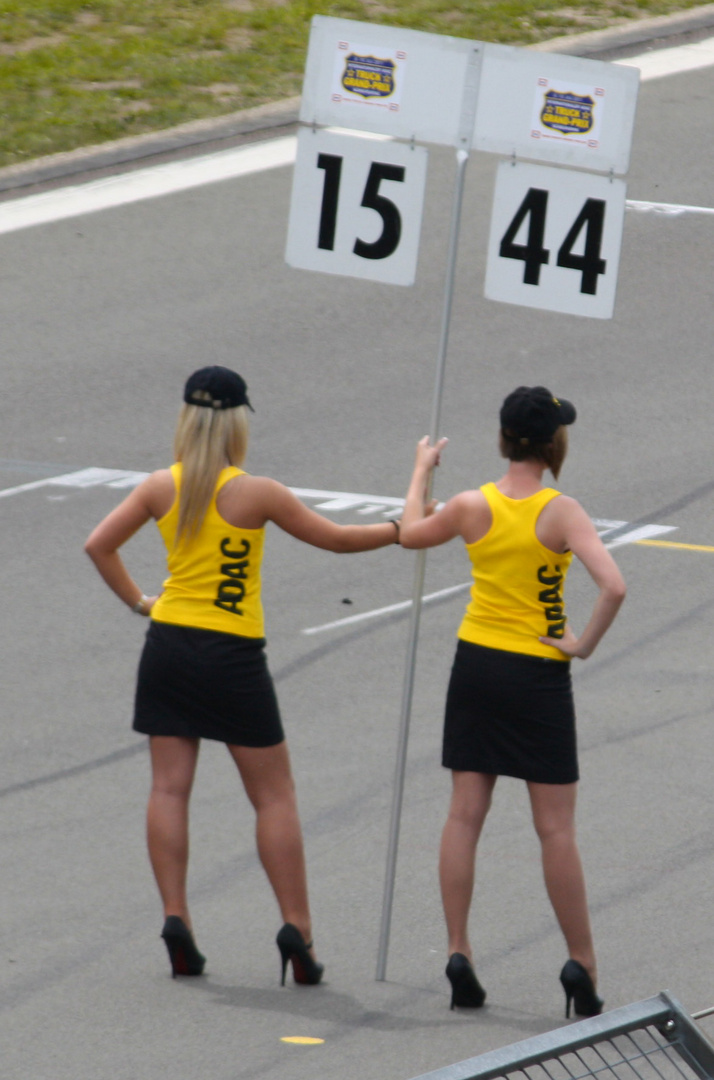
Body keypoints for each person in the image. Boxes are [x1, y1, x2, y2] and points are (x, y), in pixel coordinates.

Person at [85, 365, 400, 983]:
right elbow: (335, 540)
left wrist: (141, 601)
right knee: (273, 795)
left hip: (169, 644)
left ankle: (177, 918)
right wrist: (397, 531)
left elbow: (99, 544)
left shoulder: (159, 487)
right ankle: (297, 929)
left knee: (169, 789)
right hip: (231, 655)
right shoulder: (256, 492)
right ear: (235, 423)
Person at [399, 386, 626, 1016]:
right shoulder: (560, 511)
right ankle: (581, 962)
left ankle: (458, 950)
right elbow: (613, 585)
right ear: (554, 444)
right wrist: (580, 646)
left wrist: (420, 472)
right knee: (554, 827)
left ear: (503, 440)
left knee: (464, 814)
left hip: (476, 664)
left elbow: (411, 533)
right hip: (536, 673)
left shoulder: (473, 505)